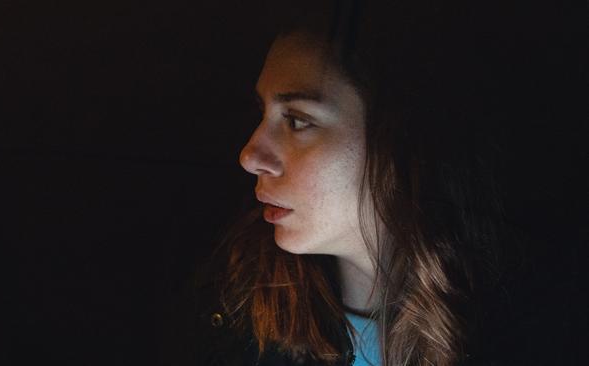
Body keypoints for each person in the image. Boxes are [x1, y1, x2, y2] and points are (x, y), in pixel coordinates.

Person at [190, 1, 514, 365]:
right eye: (262, 114)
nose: (249, 156)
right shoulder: (232, 312)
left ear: (401, 141)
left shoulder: (535, 323)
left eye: (297, 120)